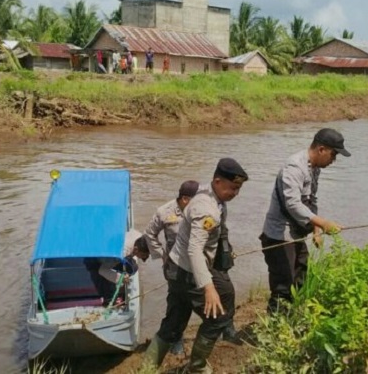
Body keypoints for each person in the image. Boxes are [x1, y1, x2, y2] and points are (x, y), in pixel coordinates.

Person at [143, 158, 248, 373]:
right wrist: (208, 288)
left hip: (177, 268)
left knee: (174, 322)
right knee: (218, 318)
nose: (235, 193)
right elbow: (194, 250)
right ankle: (197, 367)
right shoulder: (205, 210)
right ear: (217, 181)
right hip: (188, 271)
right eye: (232, 188)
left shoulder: (208, 192)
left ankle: (146, 369)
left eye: (238, 189)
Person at [260, 128, 349, 313]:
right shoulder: (294, 168)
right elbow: (292, 203)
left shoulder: (314, 169)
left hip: (295, 234)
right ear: (322, 149)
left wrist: (316, 231)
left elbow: (310, 201)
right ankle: (274, 329)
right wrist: (323, 223)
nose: (334, 160)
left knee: (302, 277)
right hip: (279, 236)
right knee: (283, 286)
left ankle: (291, 320)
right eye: (333, 155)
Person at [144, 180, 200, 355]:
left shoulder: (200, 211)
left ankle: (215, 331)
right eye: (196, 200)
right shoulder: (165, 212)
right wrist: (162, 255)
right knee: (177, 301)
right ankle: (175, 338)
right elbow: (150, 233)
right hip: (174, 265)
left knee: (201, 297)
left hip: (197, 263)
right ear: (184, 199)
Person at [84, 230, 150, 305]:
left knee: (132, 268)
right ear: (136, 249)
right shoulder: (121, 253)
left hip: (110, 249)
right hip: (95, 259)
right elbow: (103, 270)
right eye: (143, 256)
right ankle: (109, 301)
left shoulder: (139, 237)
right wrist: (120, 278)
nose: (144, 259)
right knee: (106, 290)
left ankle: (121, 290)